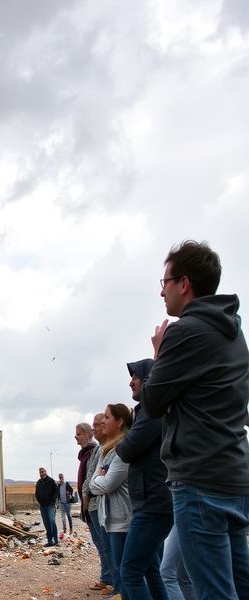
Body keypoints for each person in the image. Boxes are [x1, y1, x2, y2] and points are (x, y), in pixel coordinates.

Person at [142, 240, 249, 599]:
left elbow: (153, 402)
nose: (162, 293)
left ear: (184, 283)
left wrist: (158, 355)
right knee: (239, 584)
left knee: (213, 592)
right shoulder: (233, 334)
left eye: (165, 283)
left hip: (199, 480)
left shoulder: (186, 332)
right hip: (234, 474)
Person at [116, 358, 173, 600]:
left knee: (130, 572)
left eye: (136, 377)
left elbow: (127, 449)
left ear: (148, 379)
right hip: (154, 500)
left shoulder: (151, 411)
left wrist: (124, 441)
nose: (131, 382)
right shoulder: (148, 410)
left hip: (153, 502)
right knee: (150, 569)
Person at [90, 403, 133, 598]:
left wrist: (99, 479)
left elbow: (105, 485)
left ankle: (121, 593)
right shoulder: (105, 450)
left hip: (122, 519)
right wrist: (100, 478)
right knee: (116, 562)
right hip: (109, 518)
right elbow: (93, 484)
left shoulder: (123, 450)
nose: (101, 422)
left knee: (126, 568)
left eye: (106, 418)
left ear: (120, 421)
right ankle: (118, 593)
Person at [79, 418, 112, 592]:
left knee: (104, 544)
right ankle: (109, 577)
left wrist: (86, 495)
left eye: (97, 425)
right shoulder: (96, 450)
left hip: (94, 503)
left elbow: (93, 477)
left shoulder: (98, 450)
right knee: (102, 544)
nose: (76, 438)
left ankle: (109, 578)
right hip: (91, 502)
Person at [35, 466, 59, 547]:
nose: (42, 473)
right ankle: (50, 541)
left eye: (43, 471)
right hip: (43, 506)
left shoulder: (51, 481)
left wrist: (52, 501)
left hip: (50, 505)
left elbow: (56, 491)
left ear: (46, 472)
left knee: (52, 521)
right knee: (46, 523)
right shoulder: (39, 482)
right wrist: (40, 501)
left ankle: (56, 540)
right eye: (40, 472)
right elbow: (36, 493)